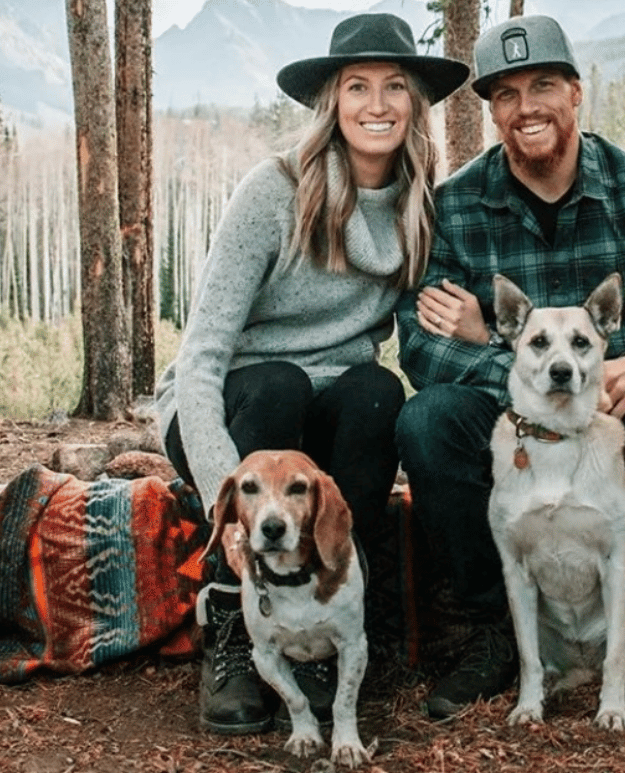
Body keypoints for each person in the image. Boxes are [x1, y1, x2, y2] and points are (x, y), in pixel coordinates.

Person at [394, 14, 625, 721]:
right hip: (518, 441)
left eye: (544, 84)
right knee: (425, 418)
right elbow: (423, 346)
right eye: (507, 94)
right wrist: (517, 368)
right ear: (491, 111)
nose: (527, 108)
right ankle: (493, 629)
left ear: (577, 92)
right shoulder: (453, 208)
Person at [154, 13, 468, 735]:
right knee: (277, 385)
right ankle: (232, 617)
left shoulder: (421, 207)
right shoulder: (274, 192)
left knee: (378, 390)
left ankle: (329, 623)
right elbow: (200, 362)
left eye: (396, 87)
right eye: (357, 86)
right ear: (332, 102)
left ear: (416, 105)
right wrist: (222, 506)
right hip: (231, 407)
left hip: (326, 422)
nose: (378, 104)